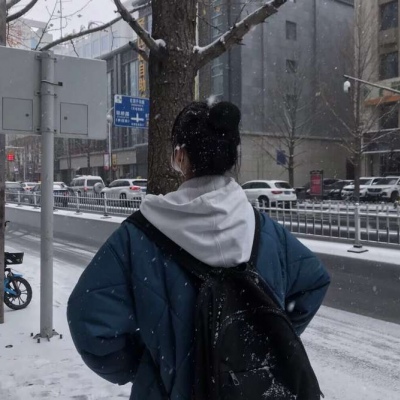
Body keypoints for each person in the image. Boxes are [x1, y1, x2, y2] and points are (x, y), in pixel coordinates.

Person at [67, 101, 330, 400]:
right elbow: (314, 281)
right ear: (232, 156)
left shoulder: (138, 236)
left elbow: (88, 320)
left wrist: (147, 364)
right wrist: (268, 337)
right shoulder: (264, 229)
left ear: (180, 155)